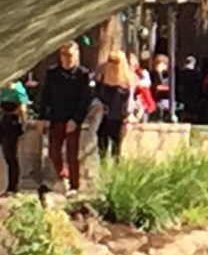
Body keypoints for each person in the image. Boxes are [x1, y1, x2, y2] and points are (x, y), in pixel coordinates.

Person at [38, 42, 92, 194]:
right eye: (64, 55)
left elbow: (84, 99)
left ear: (76, 55)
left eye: (70, 55)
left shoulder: (83, 74)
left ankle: (74, 186)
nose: (67, 58)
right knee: (53, 152)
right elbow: (45, 95)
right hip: (56, 117)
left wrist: (76, 120)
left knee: (71, 154)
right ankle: (64, 176)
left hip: (73, 119)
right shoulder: (52, 73)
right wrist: (42, 117)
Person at [94, 51, 135, 160]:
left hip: (119, 119)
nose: (112, 64)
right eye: (110, 61)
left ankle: (115, 174)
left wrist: (128, 117)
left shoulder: (127, 83)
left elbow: (130, 103)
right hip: (104, 118)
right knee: (102, 148)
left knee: (116, 151)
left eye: (115, 61)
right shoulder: (101, 79)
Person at [0, 78, 31, 194]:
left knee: (10, 156)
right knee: (6, 155)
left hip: (11, 123)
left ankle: (13, 186)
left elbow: (23, 107)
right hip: (2, 121)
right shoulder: (2, 86)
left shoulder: (18, 88)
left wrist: (24, 123)